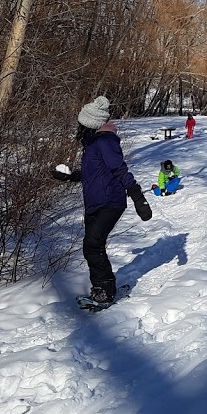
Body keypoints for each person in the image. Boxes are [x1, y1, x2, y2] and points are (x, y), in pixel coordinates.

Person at [53, 95, 152, 305]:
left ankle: (104, 291)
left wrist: (137, 196)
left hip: (110, 201)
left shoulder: (105, 142)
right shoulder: (92, 145)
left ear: (89, 124)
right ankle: (104, 287)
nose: (78, 127)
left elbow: (120, 169)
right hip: (95, 202)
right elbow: (93, 174)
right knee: (92, 247)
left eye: (80, 123)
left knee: (93, 243)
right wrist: (70, 175)